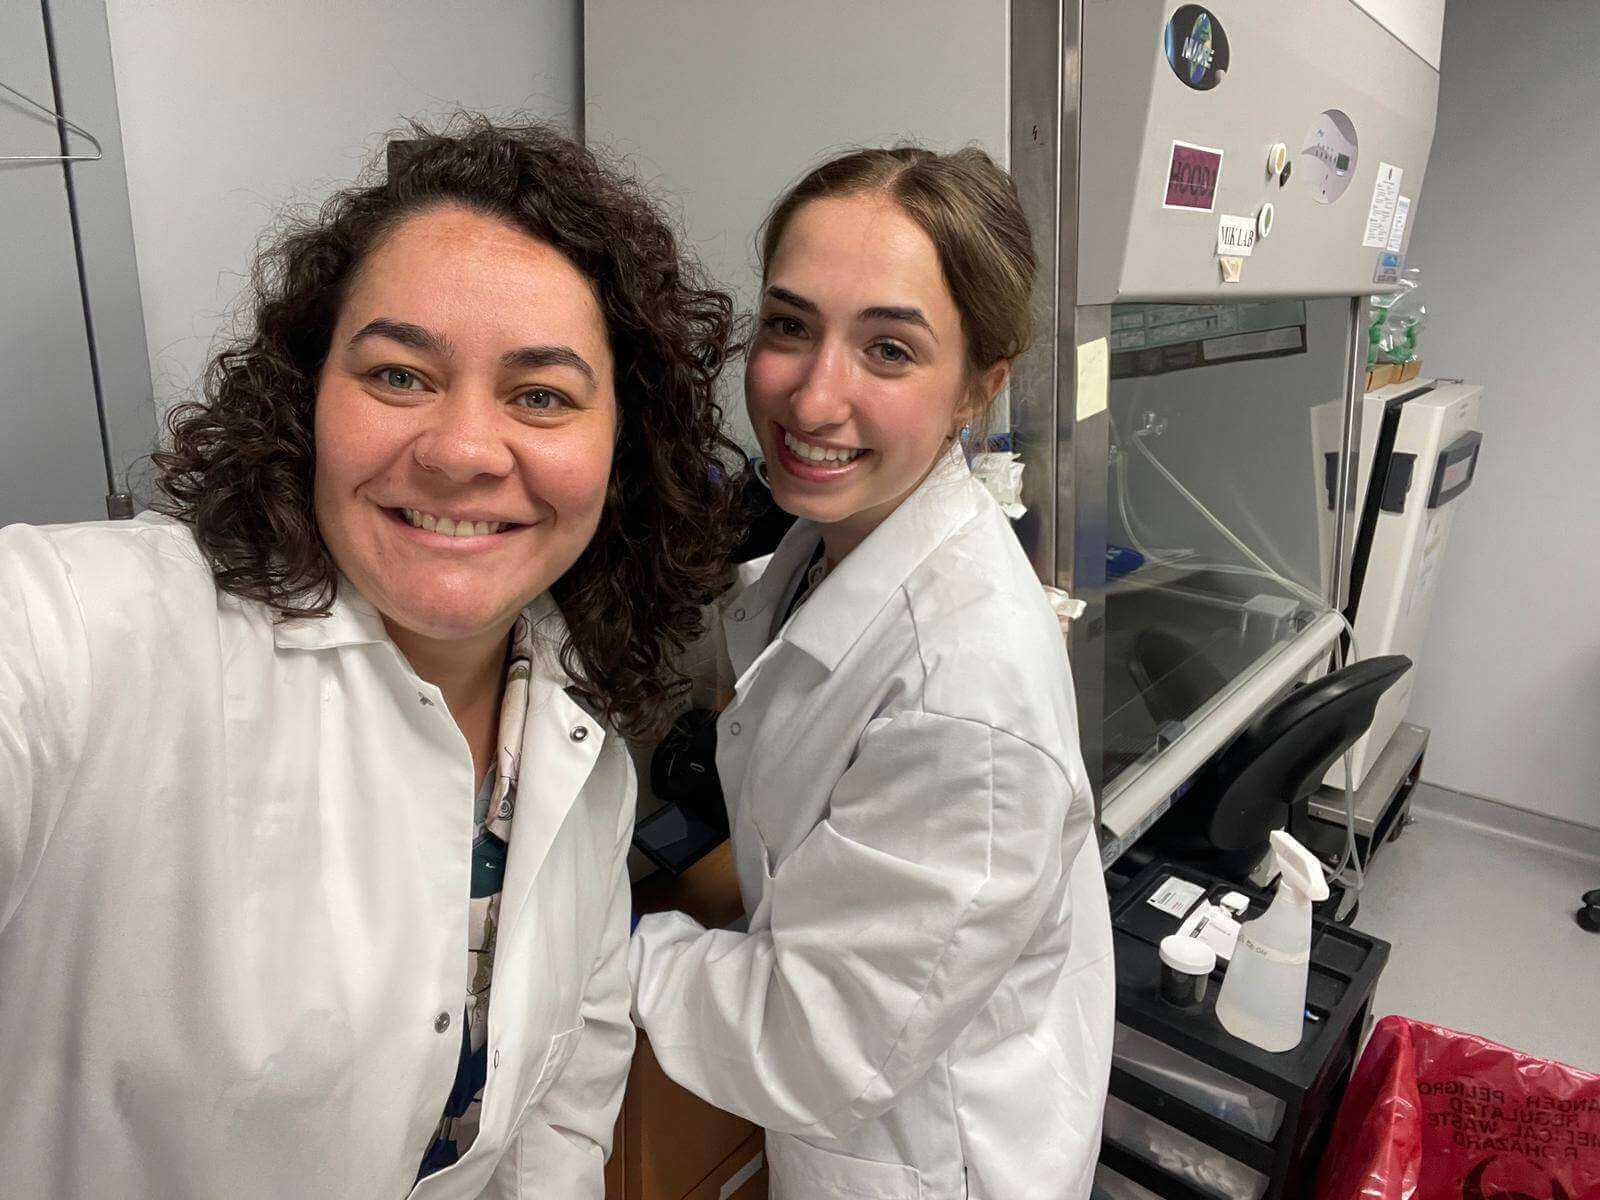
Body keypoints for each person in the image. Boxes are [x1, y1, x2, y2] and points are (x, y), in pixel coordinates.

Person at [0, 118, 742, 1199]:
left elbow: (556, 1121)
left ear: (623, 449)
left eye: (540, 395)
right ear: (309, 396)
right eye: (400, 375)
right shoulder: (88, 634)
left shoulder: (583, 761)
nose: (458, 452)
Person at [629, 146, 1116, 1200]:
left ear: (974, 392)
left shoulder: (963, 694)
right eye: (790, 327)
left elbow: (811, 1050)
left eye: (888, 350)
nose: (812, 399)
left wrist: (604, 944)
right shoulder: (837, 539)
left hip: (929, 1162)